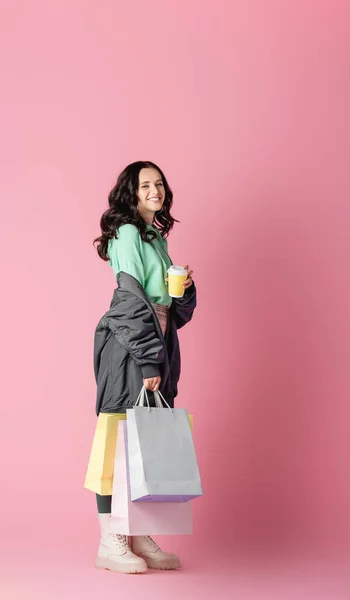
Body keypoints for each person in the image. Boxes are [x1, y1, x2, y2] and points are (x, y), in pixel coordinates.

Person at [88, 161, 197, 573]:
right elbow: (130, 301)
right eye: (145, 185)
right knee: (115, 442)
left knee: (144, 444)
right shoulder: (128, 233)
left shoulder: (154, 236)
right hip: (131, 348)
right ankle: (110, 540)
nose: (155, 189)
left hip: (155, 345)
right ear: (131, 193)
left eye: (159, 183)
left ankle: (137, 533)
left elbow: (169, 307)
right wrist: (149, 358)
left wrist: (184, 290)